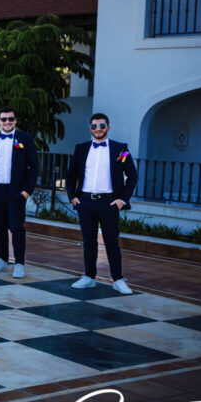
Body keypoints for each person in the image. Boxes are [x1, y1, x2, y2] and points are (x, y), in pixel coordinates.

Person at [65, 112, 138, 294]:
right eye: (94, 126)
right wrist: (73, 197)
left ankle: (118, 280)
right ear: (90, 129)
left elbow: (132, 176)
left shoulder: (120, 149)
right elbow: (71, 174)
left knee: (111, 242)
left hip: (109, 203)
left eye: (102, 126)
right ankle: (89, 277)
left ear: (108, 127)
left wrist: (122, 200)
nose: (98, 129)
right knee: (89, 242)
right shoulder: (81, 148)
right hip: (86, 203)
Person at [0, 107, 39, 279]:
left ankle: (19, 263)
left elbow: (34, 167)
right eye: (4, 119)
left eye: (10, 119)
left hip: (17, 192)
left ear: (15, 120)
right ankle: (2, 259)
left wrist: (27, 192)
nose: (7, 122)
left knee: (16, 227)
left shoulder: (25, 139)